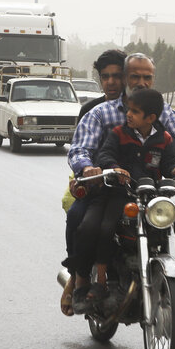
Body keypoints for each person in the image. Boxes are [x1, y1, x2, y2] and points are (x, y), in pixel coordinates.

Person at [66, 53, 175, 312]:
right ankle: (79, 282)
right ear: (125, 78)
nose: (141, 82)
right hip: (108, 190)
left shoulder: (162, 113)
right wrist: (88, 168)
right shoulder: (102, 114)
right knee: (82, 222)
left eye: (147, 77)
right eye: (135, 76)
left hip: (150, 193)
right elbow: (80, 149)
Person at [72, 89, 175, 313]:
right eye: (128, 110)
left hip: (152, 197)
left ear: (151, 118)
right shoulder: (118, 132)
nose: (129, 115)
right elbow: (104, 155)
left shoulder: (164, 138)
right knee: (100, 228)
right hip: (118, 193)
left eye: (135, 111)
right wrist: (114, 168)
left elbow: (171, 161)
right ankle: (98, 281)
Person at [59, 48, 126, 316]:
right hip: (98, 185)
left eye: (117, 76)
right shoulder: (91, 110)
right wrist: (86, 170)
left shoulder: (140, 107)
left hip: (134, 187)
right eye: (106, 76)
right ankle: (77, 277)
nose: (111, 82)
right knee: (76, 217)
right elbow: (80, 148)